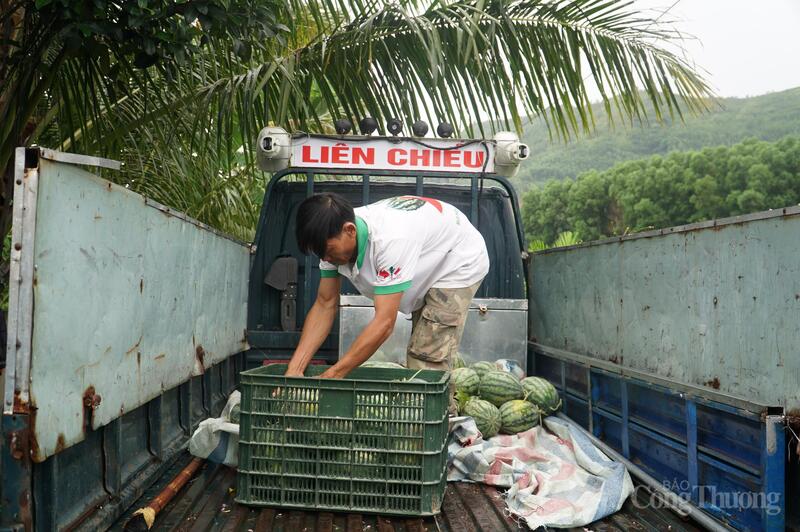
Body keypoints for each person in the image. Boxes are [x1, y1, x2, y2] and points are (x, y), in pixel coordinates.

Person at [285, 192, 489, 412]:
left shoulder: (391, 240)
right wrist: (294, 370)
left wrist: (333, 375)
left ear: (350, 230)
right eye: (319, 254)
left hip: (458, 259)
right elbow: (325, 304)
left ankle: (440, 424)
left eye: (328, 251)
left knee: (426, 355)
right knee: (424, 346)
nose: (325, 259)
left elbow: (384, 324)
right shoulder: (329, 241)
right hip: (427, 251)